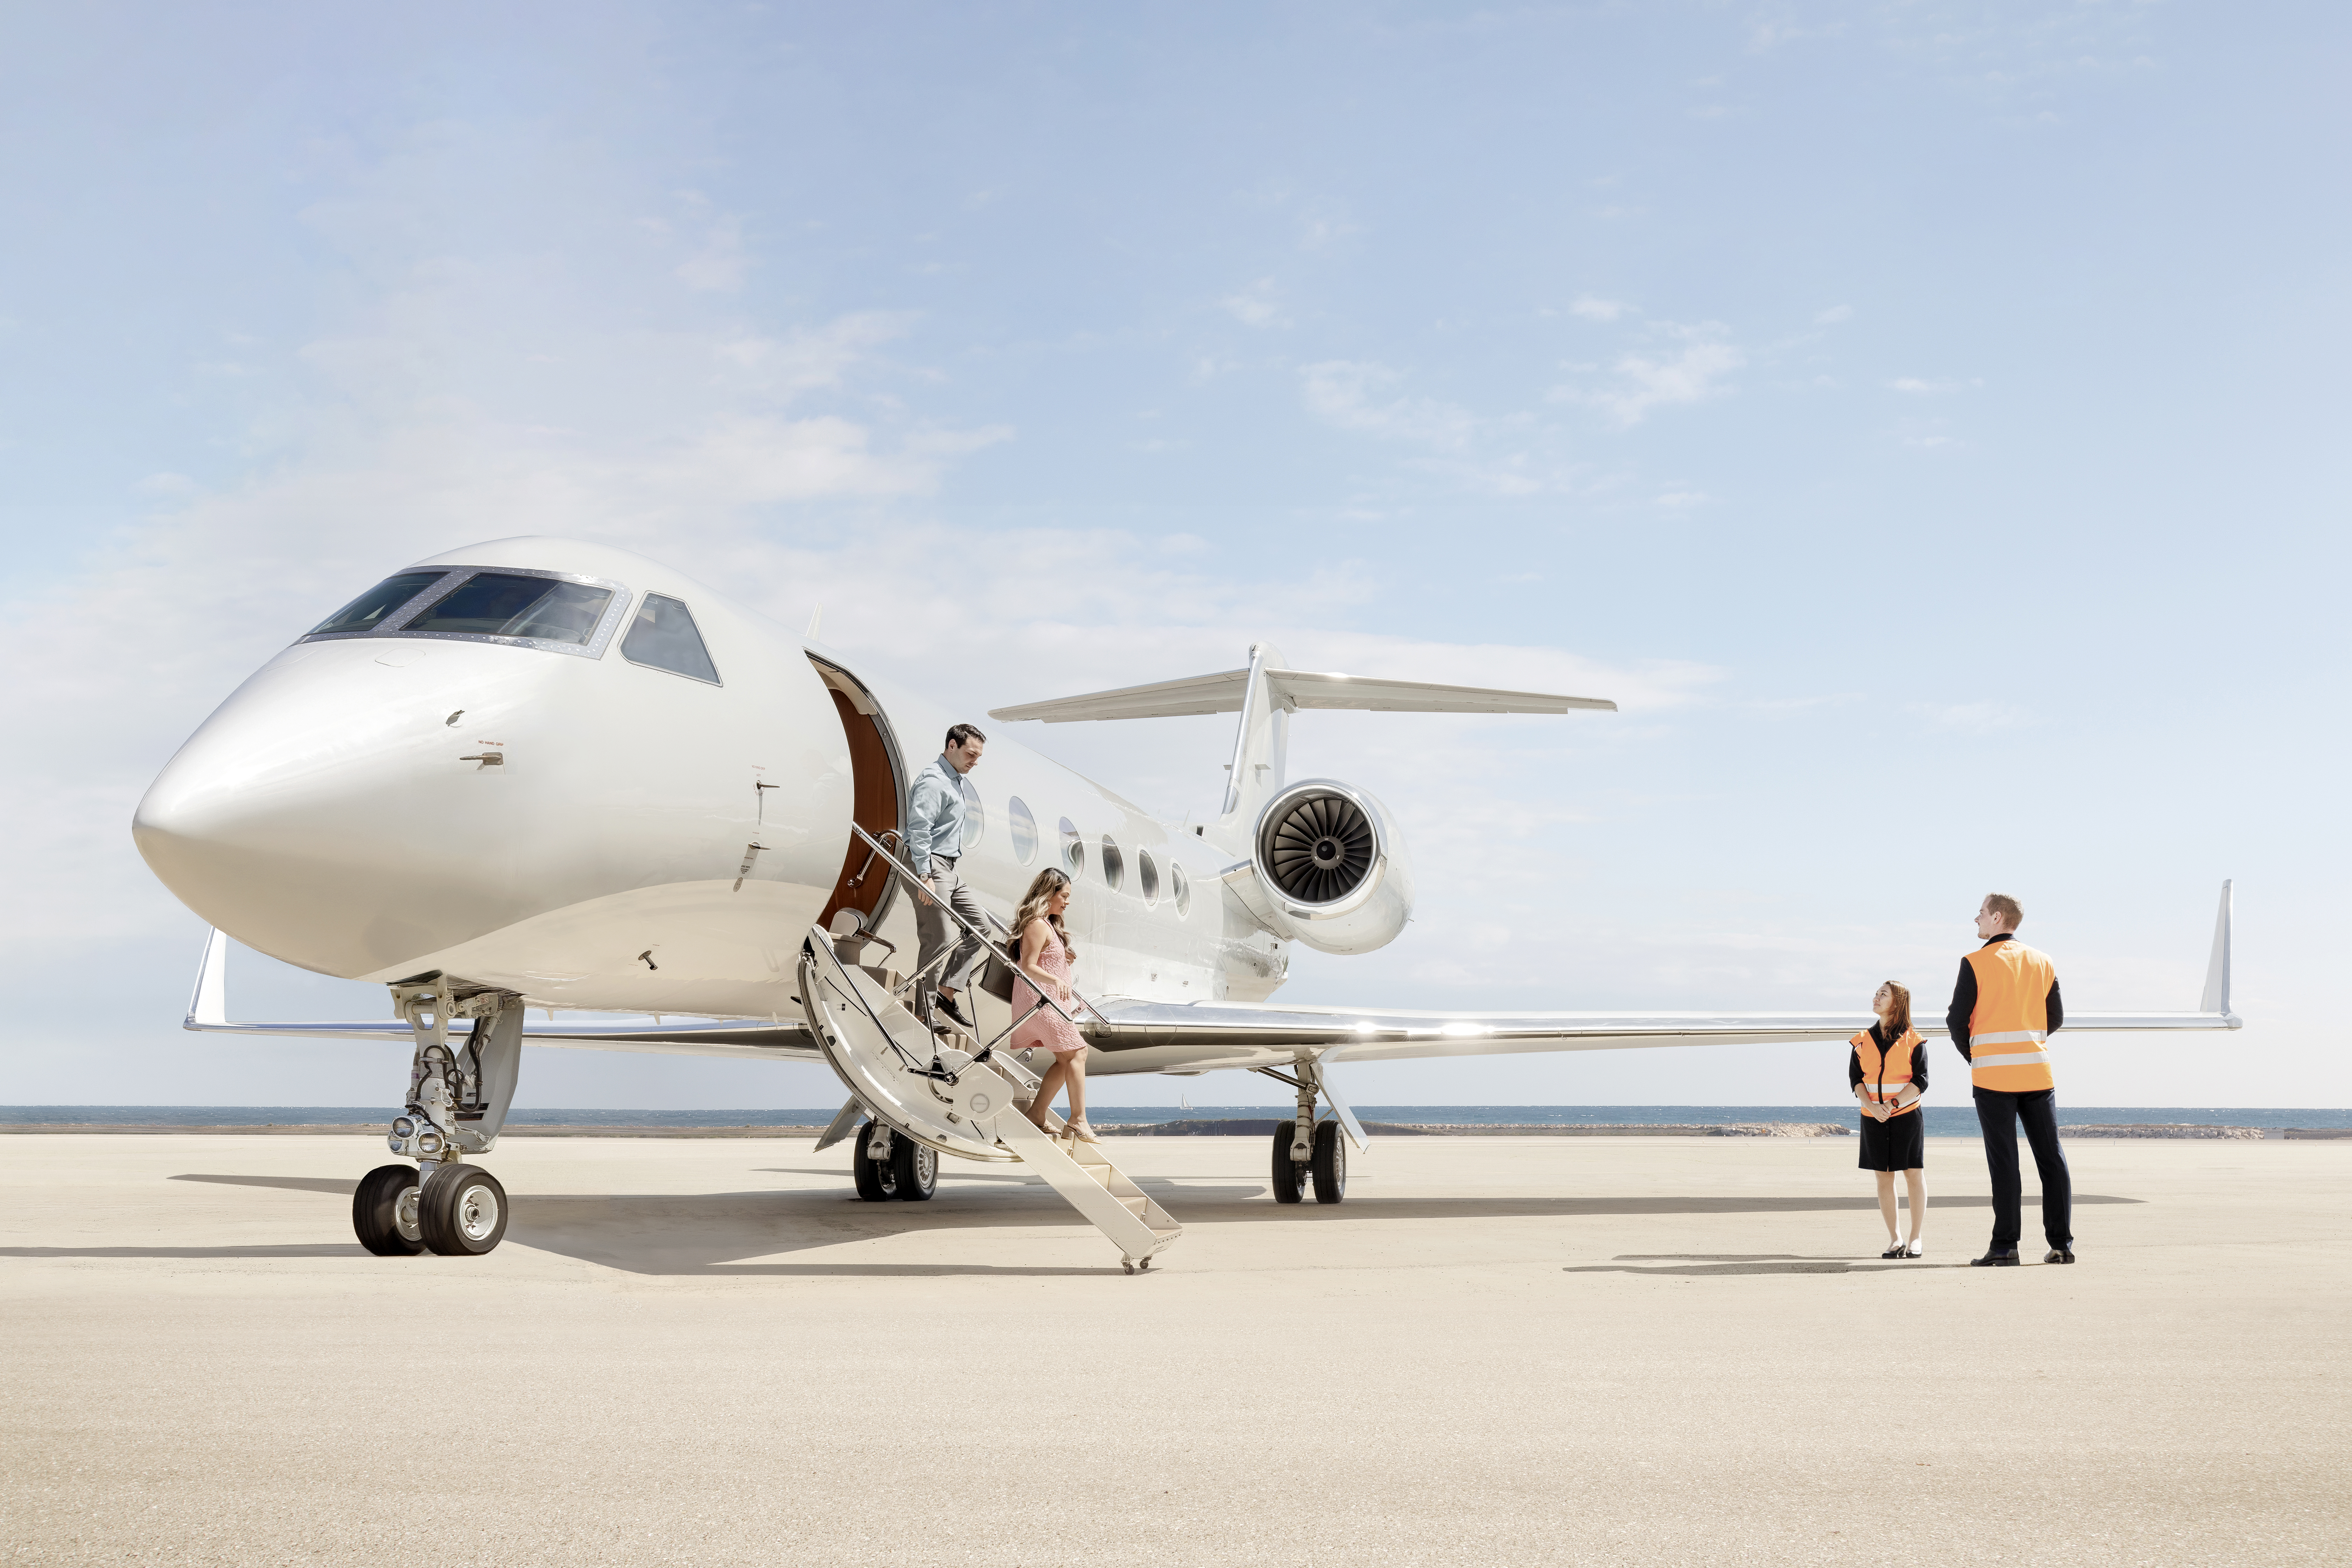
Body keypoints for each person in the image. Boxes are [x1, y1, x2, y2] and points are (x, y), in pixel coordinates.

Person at [1947, 891, 2073, 1266]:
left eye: (1982, 913)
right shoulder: (2043, 961)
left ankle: (2005, 1246)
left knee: (2005, 1162)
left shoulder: (1975, 962)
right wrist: (2029, 1041)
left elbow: (1957, 1020)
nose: (1977, 919)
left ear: (1998, 918)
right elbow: (2056, 1018)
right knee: (2051, 1157)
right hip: (2037, 1072)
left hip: (1993, 1078)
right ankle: (2061, 1244)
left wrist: (1977, 1055)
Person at [1008, 867, 1098, 1143]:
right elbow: (1028, 967)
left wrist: (1062, 960)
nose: (1068, 902)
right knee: (1078, 1053)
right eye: (1065, 895)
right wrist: (1055, 979)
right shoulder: (1036, 924)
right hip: (1040, 1001)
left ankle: (1037, 1114)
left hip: (1048, 1001)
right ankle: (1078, 1120)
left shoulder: (1048, 925)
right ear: (1050, 893)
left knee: (1066, 1060)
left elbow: (1044, 960)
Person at [906, 723, 987, 1031]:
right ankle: (922, 1013)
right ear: (951, 746)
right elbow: (919, 829)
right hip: (930, 865)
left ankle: (947, 990)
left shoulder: (956, 781)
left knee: (980, 927)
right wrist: (924, 875)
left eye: (978, 757)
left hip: (949, 868)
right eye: (970, 754)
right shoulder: (934, 781)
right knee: (939, 938)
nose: (974, 762)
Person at [1850, 981, 1928, 1259]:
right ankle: (1895, 1240)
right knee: (1883, 1178)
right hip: (1872, 1118)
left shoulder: (1914, 1041)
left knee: (1913, 1175)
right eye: (1876, 993)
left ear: (1898, 1002)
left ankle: (1916, 1238)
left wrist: (1891, 1105)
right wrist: (1872, 1107)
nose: (1876, 997)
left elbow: (1921, 1081)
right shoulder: (1861, 1040)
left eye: (1883, 994)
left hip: (1906, 1116)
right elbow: (1856, 1080)